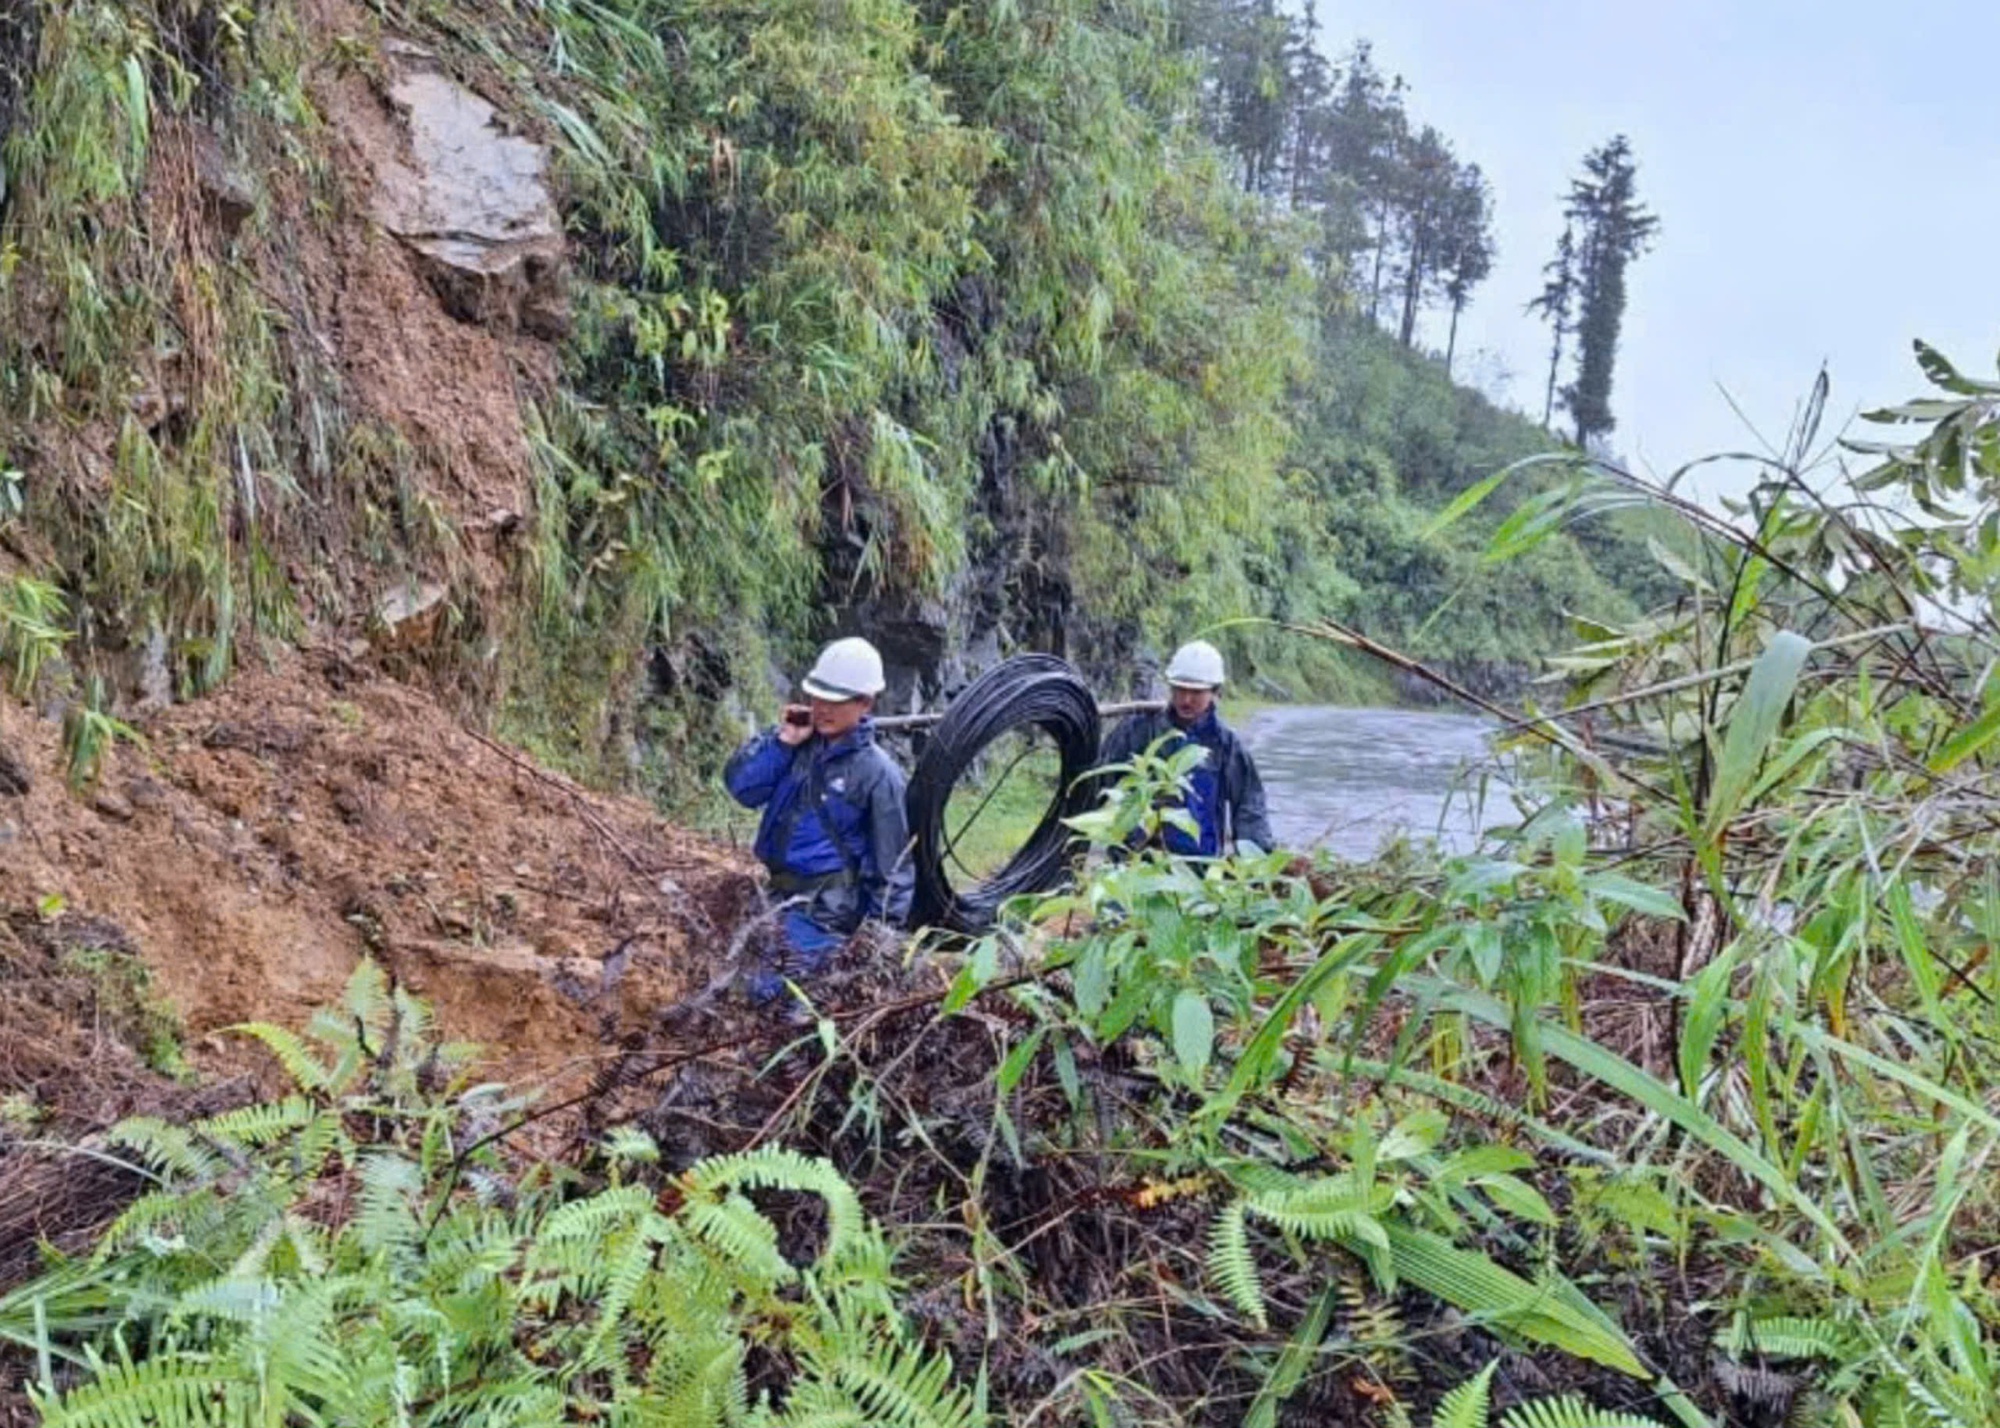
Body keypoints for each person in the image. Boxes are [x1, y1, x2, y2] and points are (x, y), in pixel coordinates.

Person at [723, 637, 914, 1006]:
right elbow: (743, 789)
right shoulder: (797, 746)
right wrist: (783, 741)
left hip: (825, 915)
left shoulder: (878, 775)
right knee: (738, 994)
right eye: (817, 696)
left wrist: (879, 946)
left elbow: (893, 869)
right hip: (776, 899)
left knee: (777, 1005)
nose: (823, 708)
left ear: (865, 703)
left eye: (836, 700)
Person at [1097, 639, 1274, 858]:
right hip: (1134, 864)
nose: (1186, 700)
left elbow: (1250, 811)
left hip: (1199, 866)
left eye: (1196, 692)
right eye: (1180, 689)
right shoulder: (1137, 731)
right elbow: (1096, 785)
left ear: (1215, 692)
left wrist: (1252, 864)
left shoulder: (1226, 745)